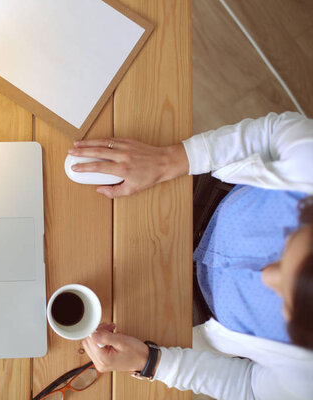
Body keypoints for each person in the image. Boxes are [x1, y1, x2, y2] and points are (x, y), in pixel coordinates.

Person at [69, 112, 313, 399]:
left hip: (194, 314)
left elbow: (249, 387)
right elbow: (273, 134)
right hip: (202, 200)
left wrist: (149, 363)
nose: (265, 276)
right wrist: (169, 161)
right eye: (287, 248)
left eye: (284, 301)